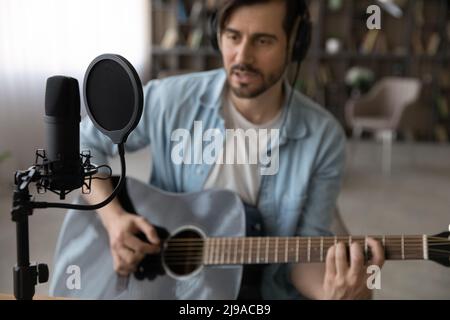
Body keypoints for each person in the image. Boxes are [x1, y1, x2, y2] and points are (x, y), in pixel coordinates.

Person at [80, 0, 384, 300]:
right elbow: (83, 144)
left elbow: (302, 257)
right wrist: (114, 219)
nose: (242, 56)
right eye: (233, 36)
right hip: (163, 287)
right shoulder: (169, 100)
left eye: (263, 40)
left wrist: (334, 295)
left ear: (295, 43)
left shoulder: (323, 137)